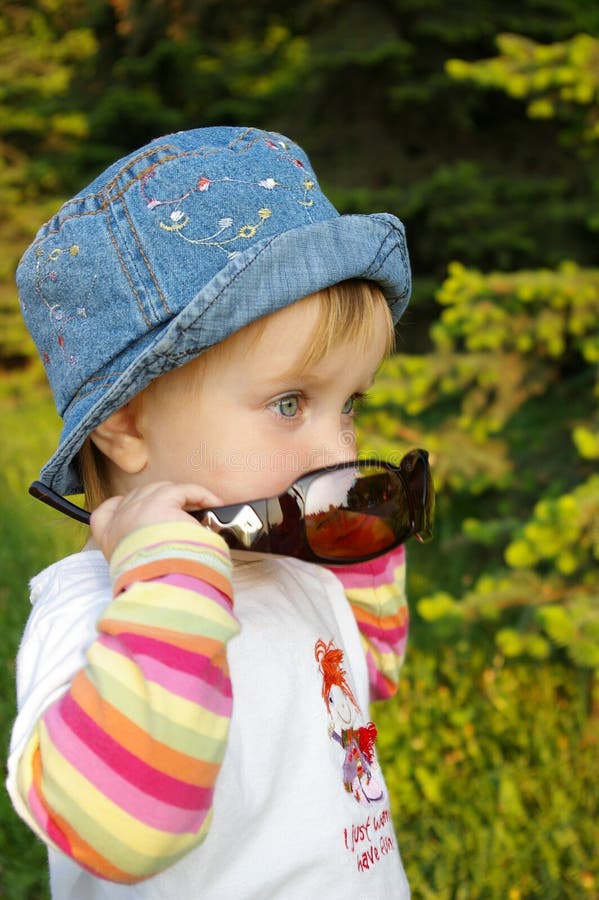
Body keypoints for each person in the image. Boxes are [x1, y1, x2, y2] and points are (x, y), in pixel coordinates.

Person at [7, 126, 426, 899]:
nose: (337, 446)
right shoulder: (98, 615)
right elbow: (121, 831)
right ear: (127, 423)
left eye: (349, 406)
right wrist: (170, 582)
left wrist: (357, 534)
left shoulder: (288, 574)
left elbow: (369, 677)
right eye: (291, 403)